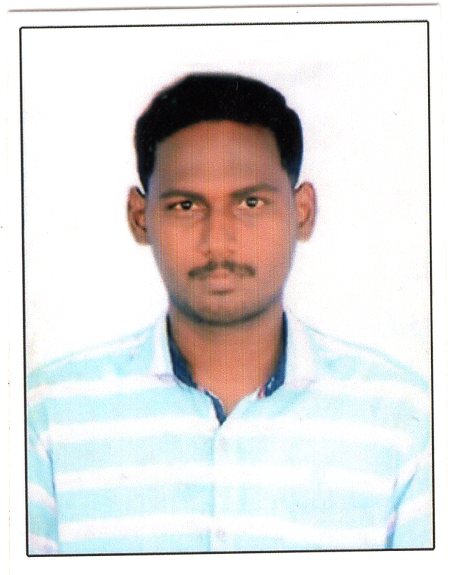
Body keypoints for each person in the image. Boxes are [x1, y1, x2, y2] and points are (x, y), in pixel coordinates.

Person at [27, 73, 432, 555]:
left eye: (250, 202)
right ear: (140, 218)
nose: (218, 241)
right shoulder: (46, 416)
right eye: (185, 206)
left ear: (302, 212)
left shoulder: (403, 419)